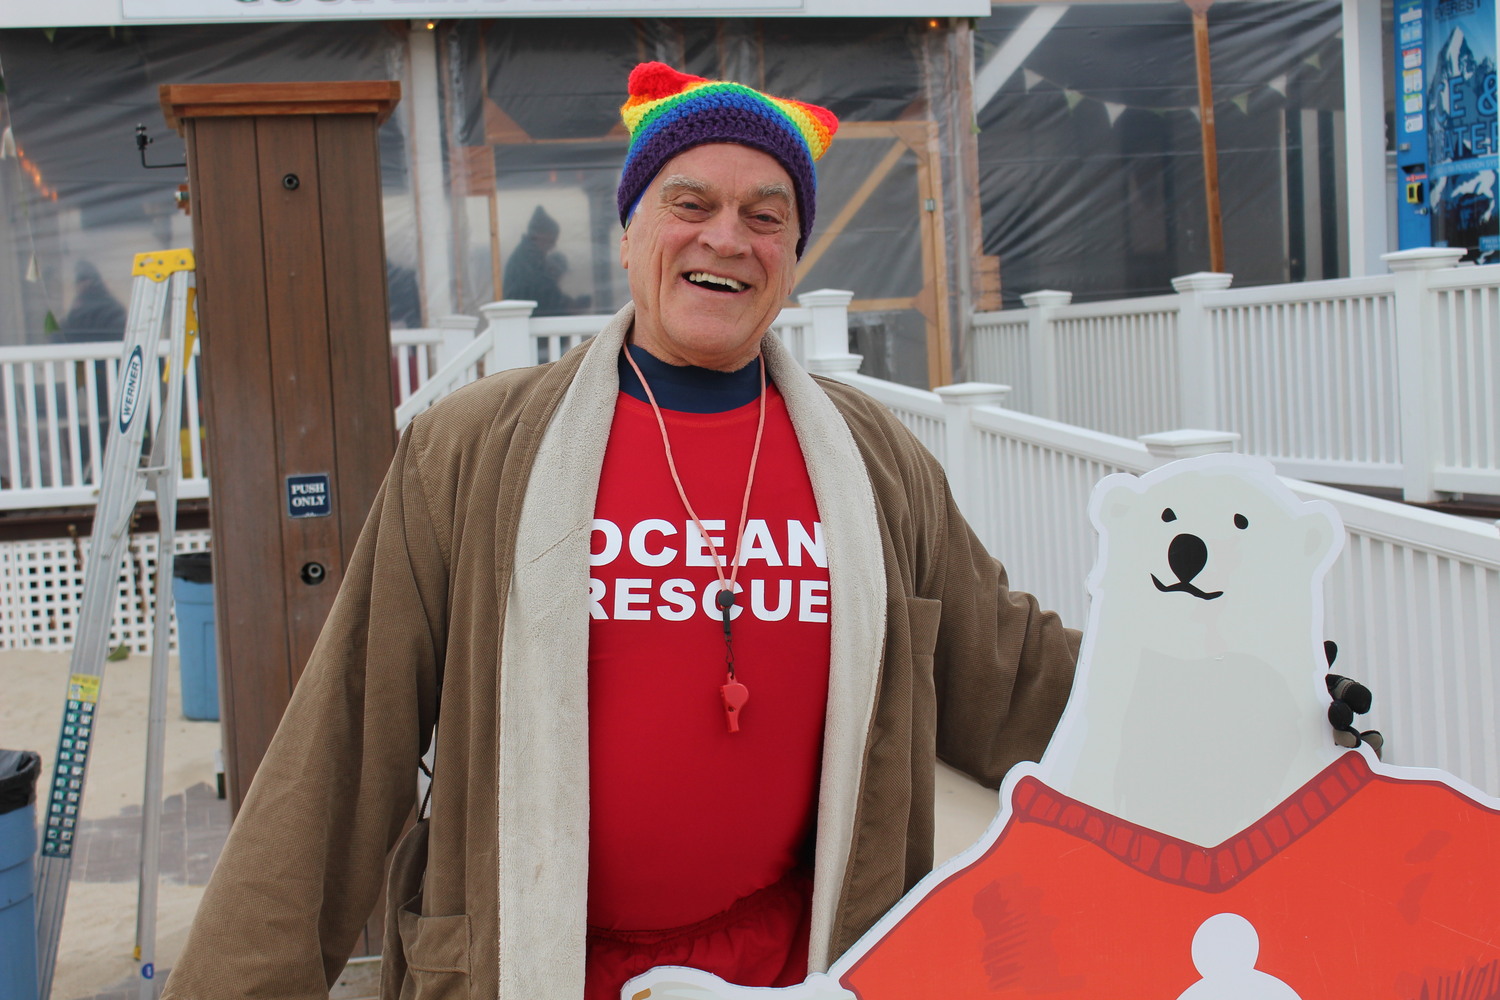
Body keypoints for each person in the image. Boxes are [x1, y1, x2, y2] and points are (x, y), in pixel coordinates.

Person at [160, 62, 1079, 1000]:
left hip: (793, 968)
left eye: (767, 217)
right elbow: (345, 746)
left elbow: (1013, 678)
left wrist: (1219, 669)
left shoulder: (877, 462)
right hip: (538, 970)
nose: (727, 238)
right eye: (691, 202)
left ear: (795, 250)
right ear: (631, 226)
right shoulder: (468, 451)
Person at [503, 205, 593, 316]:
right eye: (552, 240)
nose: (553, 246)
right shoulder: (528, 259)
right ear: (541, 235)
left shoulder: (528, 256)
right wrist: (566, 305)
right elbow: (543, 292)